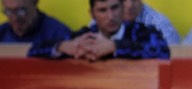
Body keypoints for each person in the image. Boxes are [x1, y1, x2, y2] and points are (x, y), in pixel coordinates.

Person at [27, 0, 169, 60]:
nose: (110, 16)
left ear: (122, 8)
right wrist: (62, 46)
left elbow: (162, 51)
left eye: (114, 8)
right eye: (102, 10)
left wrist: (115, 46)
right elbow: (33, 51)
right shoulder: (85, 35)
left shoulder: (141, 32)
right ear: (92, 14)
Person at [1, 0, 70, 44]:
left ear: (35, 2)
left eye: (21, 11)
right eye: (8, 11)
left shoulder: (59, 35)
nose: (14, 18)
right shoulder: (2, 33)